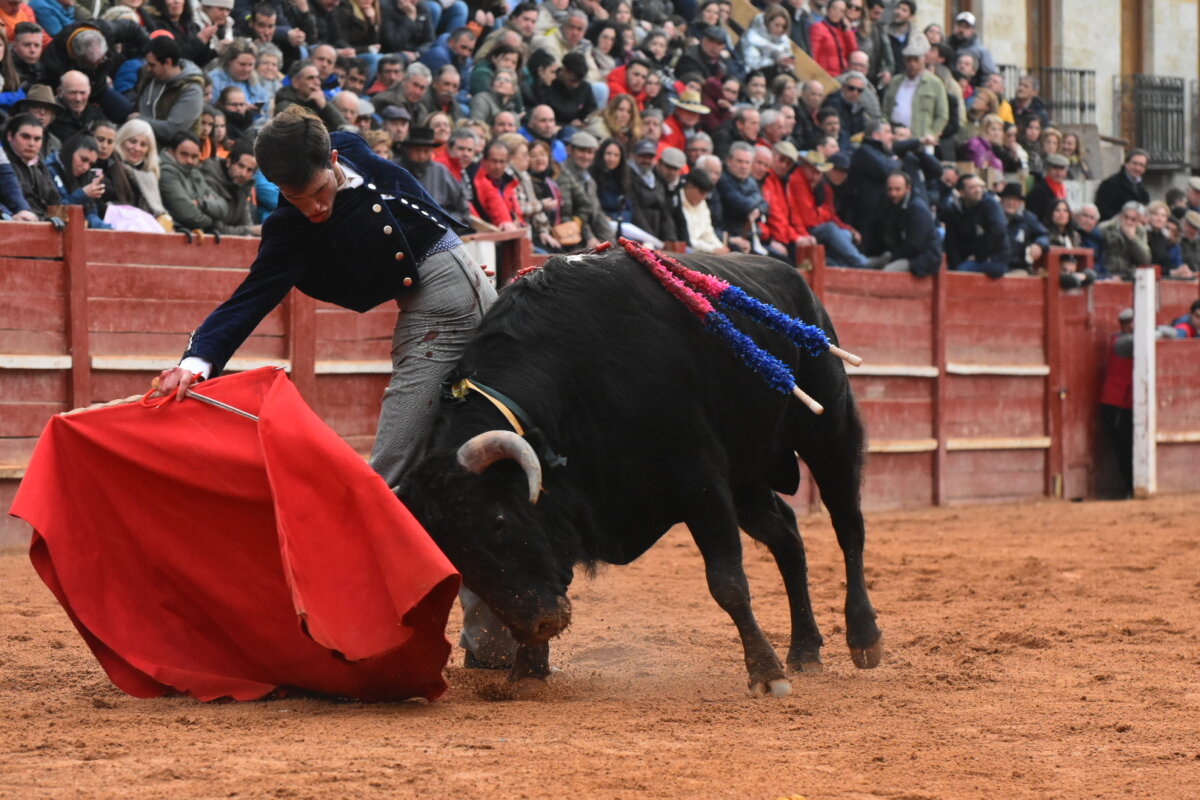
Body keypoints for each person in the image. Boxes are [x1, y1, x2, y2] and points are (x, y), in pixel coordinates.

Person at [152, 107, 509, 668]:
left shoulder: (345, 145)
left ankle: (364, 634)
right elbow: (249, 298)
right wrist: (196, 364)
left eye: (318, 192)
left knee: (395, 474)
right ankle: (466, 641)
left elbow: (415, 204)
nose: (314, 209)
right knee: (455, 466)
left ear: (334, 161)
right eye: (297, 199)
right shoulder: (291, 228)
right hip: (439, 306)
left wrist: (458, 255)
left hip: (458, 300)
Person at [134, 35, 205, 146]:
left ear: (168, 62)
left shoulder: (191, 90)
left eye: (152, 65)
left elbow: (172, 130)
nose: (148, 68)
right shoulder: (148, 75)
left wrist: (138, 121)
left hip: (169, 153)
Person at [554, 129, 613, 248]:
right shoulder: (561, 174)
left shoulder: (589, 180)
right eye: (581, 150)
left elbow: (597, 213)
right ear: (570, 149)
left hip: (588, 238)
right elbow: (569, 212)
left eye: (590, 152)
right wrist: (589, 238)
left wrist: (610, 241)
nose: (586, 156)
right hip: (568, 237)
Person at [944, 173, 1009, 278]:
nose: (978, 190)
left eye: (979, 186)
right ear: (962, 192)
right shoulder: (954, 211)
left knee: (961, 272)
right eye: (972, 187)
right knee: (949, 271)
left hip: (994, 259)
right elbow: (951, 241)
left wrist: (978, 255)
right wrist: (955, 264)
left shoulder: (990, 204)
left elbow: (998, 232)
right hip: (967, 259)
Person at [1099, 307, 1134, 497]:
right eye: (1129, 323)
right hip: (1117, 405)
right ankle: (1130, 487)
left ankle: (1131, 487)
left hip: (1128, 403)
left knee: (1128, 448)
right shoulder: (1121, 342)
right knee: (1124, 448)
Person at [44, 130, 110, 228]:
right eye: (83, 159)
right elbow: (56, 212)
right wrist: (82, 194)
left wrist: (107, 229)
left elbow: (91, 213)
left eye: (91, 164)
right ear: (70, 153)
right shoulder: (48, 171)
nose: (86, 167)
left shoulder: (85, 176)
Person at [879, 171, 939, 275]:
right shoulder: (891, 204)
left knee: (887, 272)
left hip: (922, 259)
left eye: (897, 189)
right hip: (905, 254)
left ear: (908, 188)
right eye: (890, 189)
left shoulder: (917, 209)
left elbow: (915, 244)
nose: (893, 193)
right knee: (872, 264)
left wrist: (894, 256)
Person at [198, 137, 261, 236]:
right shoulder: (208, 179)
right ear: (228, 162)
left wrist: (251, 231)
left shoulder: (243, 186)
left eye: (249, 170)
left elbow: (246, 223)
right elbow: (214, 228)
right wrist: (250, 231)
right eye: (241, 166)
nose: (244, 174)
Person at [3, 112, 59, 218]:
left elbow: (54, 198)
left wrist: (60, 219)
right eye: (25, 137)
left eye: (37, 139)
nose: (31, 144)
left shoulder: (41, 167)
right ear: (10, 136)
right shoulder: (3, 165)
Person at [998, 182, 1049, 275]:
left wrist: (1039, 244)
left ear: (1020, 202)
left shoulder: (1028, 218)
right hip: (991, 265)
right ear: (1002, 200)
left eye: (1015, 199)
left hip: (1017, 267)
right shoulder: (992, 215)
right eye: (1008, 198)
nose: (1011, 202)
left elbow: (1044, 235)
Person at [1098, 201, 1151, 281]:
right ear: (1120, 215)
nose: (1128, 222)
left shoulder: (1140, 231)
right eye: (1126, 217)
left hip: (1128, 276)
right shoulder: (1105, 228)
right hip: (1106, 273)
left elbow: (1145, 259)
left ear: (1139, 220)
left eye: (1133, 219)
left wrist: (1133, 238)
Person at [1095, 149, 1150, 222]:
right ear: (1126, 164)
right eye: (1134, 163)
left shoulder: (1142, 187)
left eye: (1141, 165)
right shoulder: (1109, 184)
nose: (1137, 168)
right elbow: (1103, 211)